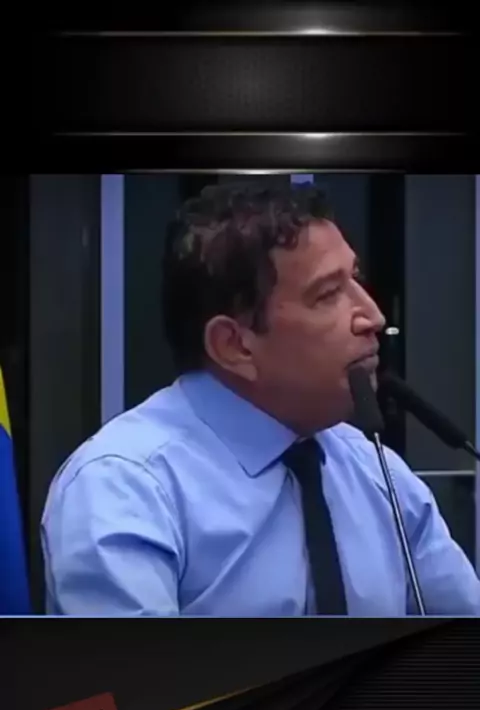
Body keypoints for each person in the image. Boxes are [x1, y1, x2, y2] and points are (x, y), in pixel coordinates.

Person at [41, 182, 480, 617]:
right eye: (328, 294)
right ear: (235, 345)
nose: (374, 316)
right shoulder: (124, 486)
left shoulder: (376, 471)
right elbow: (140, 667)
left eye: (356, 278)